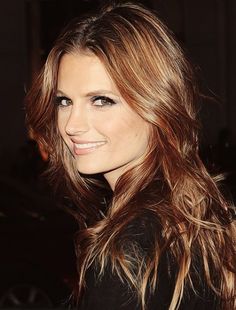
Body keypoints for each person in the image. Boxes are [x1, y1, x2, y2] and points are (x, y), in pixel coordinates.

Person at [25, 2, 236, 309]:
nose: (72, 125)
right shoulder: (197, 214)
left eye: (101, 100)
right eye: (64, 101)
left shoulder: (127, 252)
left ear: (157, 105)